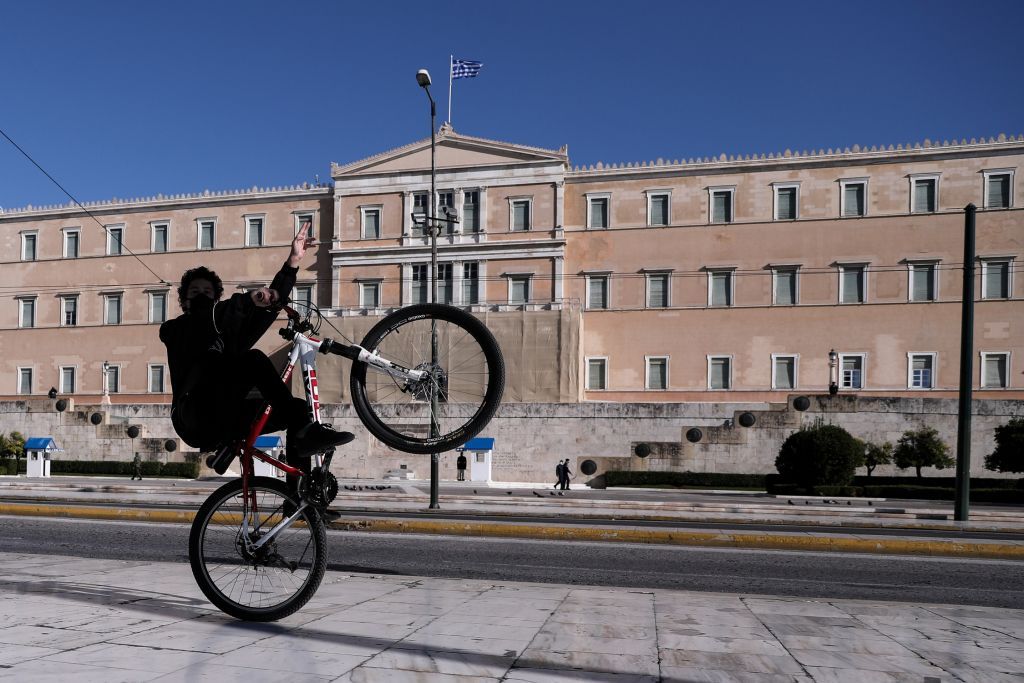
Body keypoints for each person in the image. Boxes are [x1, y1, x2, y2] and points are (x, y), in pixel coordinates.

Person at [159, 221, 353, 483]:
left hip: (227, 413)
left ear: (216, 298)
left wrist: (293, 262)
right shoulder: (174, 329)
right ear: (184, 301)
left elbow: (264, 311)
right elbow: (209, 318)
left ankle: (300, 494)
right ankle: (297, 439)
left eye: (207, 292)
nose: (202, 296)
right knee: (253, 360)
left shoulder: (229, 333)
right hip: (195, 417)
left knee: (297, 411)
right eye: (195, 292)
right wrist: (246, 299)